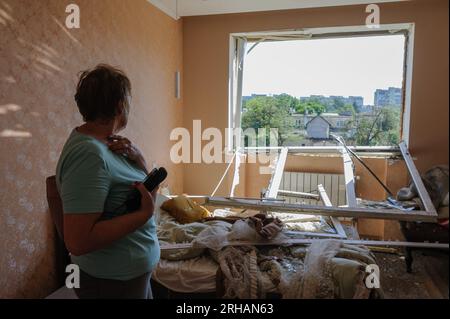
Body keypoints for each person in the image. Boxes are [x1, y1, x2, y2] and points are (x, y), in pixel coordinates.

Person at [56, 64, 159, 299]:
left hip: (130, 274)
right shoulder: (89, 154)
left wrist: (139, 158)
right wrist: (142, 216)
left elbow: (141, 193)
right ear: (120, 106)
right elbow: (78, 241)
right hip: (112, 281)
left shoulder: (108, 144)